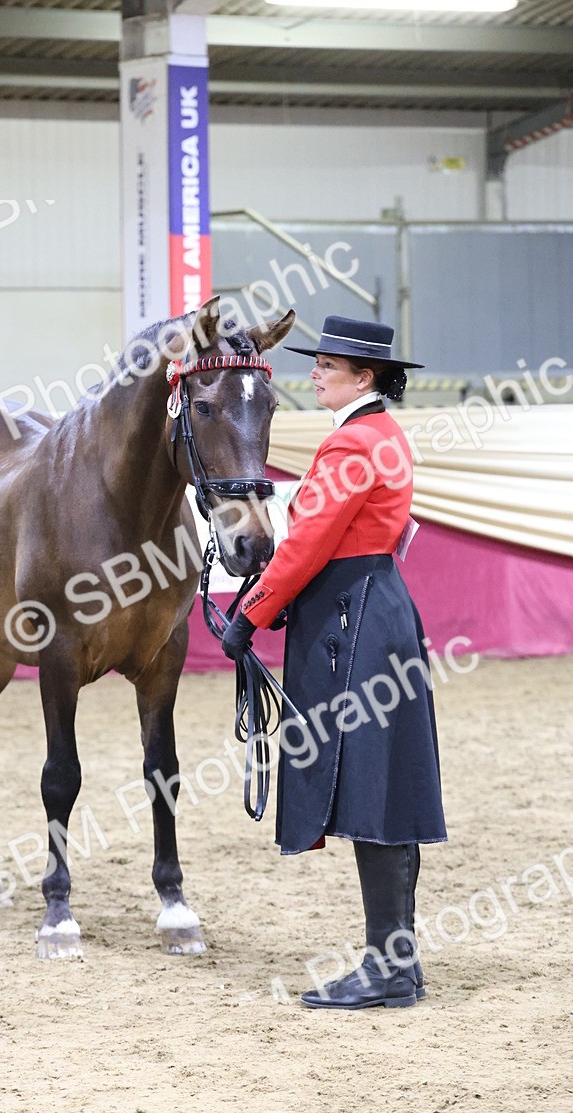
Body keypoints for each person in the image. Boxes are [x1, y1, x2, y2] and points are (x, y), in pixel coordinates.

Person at [222, 315, 446, 1010]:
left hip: (354, 620)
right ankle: (395, 962)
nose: (314, 372)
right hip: (374, 608)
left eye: (327, 364)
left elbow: (307, 545)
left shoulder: (351, 443)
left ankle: (387, 967)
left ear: (365, 376)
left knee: (371, 787)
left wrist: (248, 613)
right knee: (384, 786)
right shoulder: (380, 435)